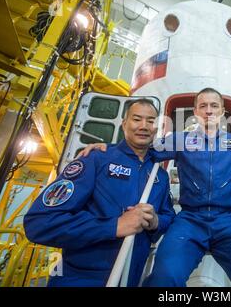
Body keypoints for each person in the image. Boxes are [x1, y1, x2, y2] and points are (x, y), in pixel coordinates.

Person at [81, 88, 231, 286]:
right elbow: (143, 147)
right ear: (195, 112)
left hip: (227, 220)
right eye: (203, 106)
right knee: (164, 278)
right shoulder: (179, 140)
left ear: (222, 112)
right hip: (190, 220)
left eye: (214, 106)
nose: (208, 111)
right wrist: (109, 148)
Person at [23, 99, 175, 287]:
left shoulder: (158, 174)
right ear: (124, 124)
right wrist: (114, 226)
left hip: (131, 278)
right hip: (80, 279)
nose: (144, 126)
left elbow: (169, 217)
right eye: (137, 119)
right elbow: (40, 223)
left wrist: (155, 221)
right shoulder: (96, 158)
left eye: (150, 121)